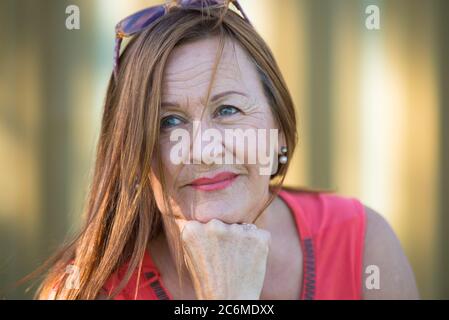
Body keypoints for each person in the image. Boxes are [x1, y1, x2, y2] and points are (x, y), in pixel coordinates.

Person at [37, 0, 419, 300]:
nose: (204, 149)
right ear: (137, 153)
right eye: (168, 121)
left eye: (228, 110)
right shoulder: (85, 290)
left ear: (279, 131)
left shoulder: (361, 243)